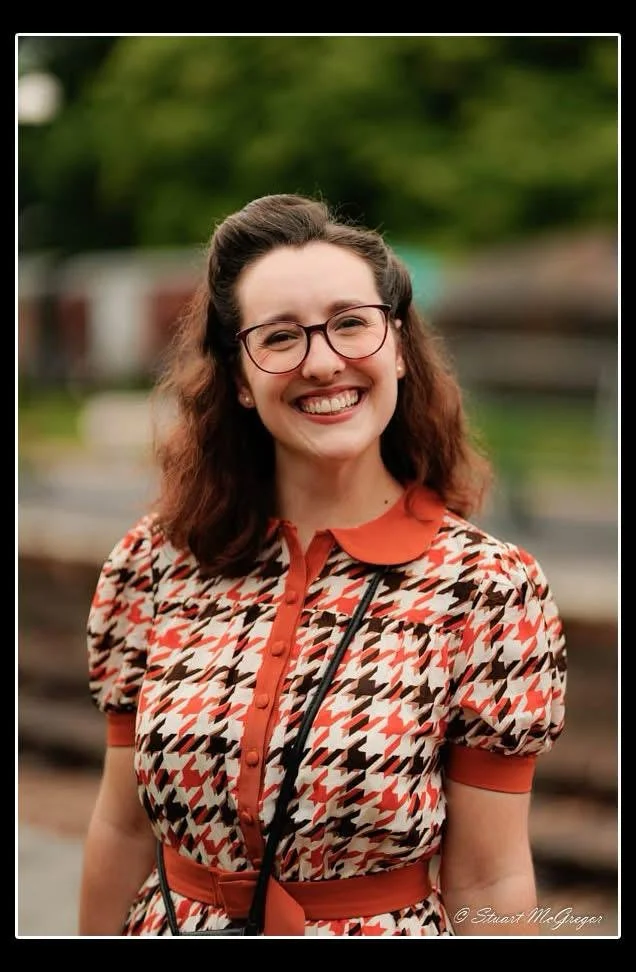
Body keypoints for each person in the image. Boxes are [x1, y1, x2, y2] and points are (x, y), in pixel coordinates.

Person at [78, 192, 567, 938]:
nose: (323, 361)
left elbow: (490, 876)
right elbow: (119, 829)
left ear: (398, 346)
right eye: (280, 338)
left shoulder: (488, 591)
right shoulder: (156, 563)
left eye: (350, 324)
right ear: (240, 378)